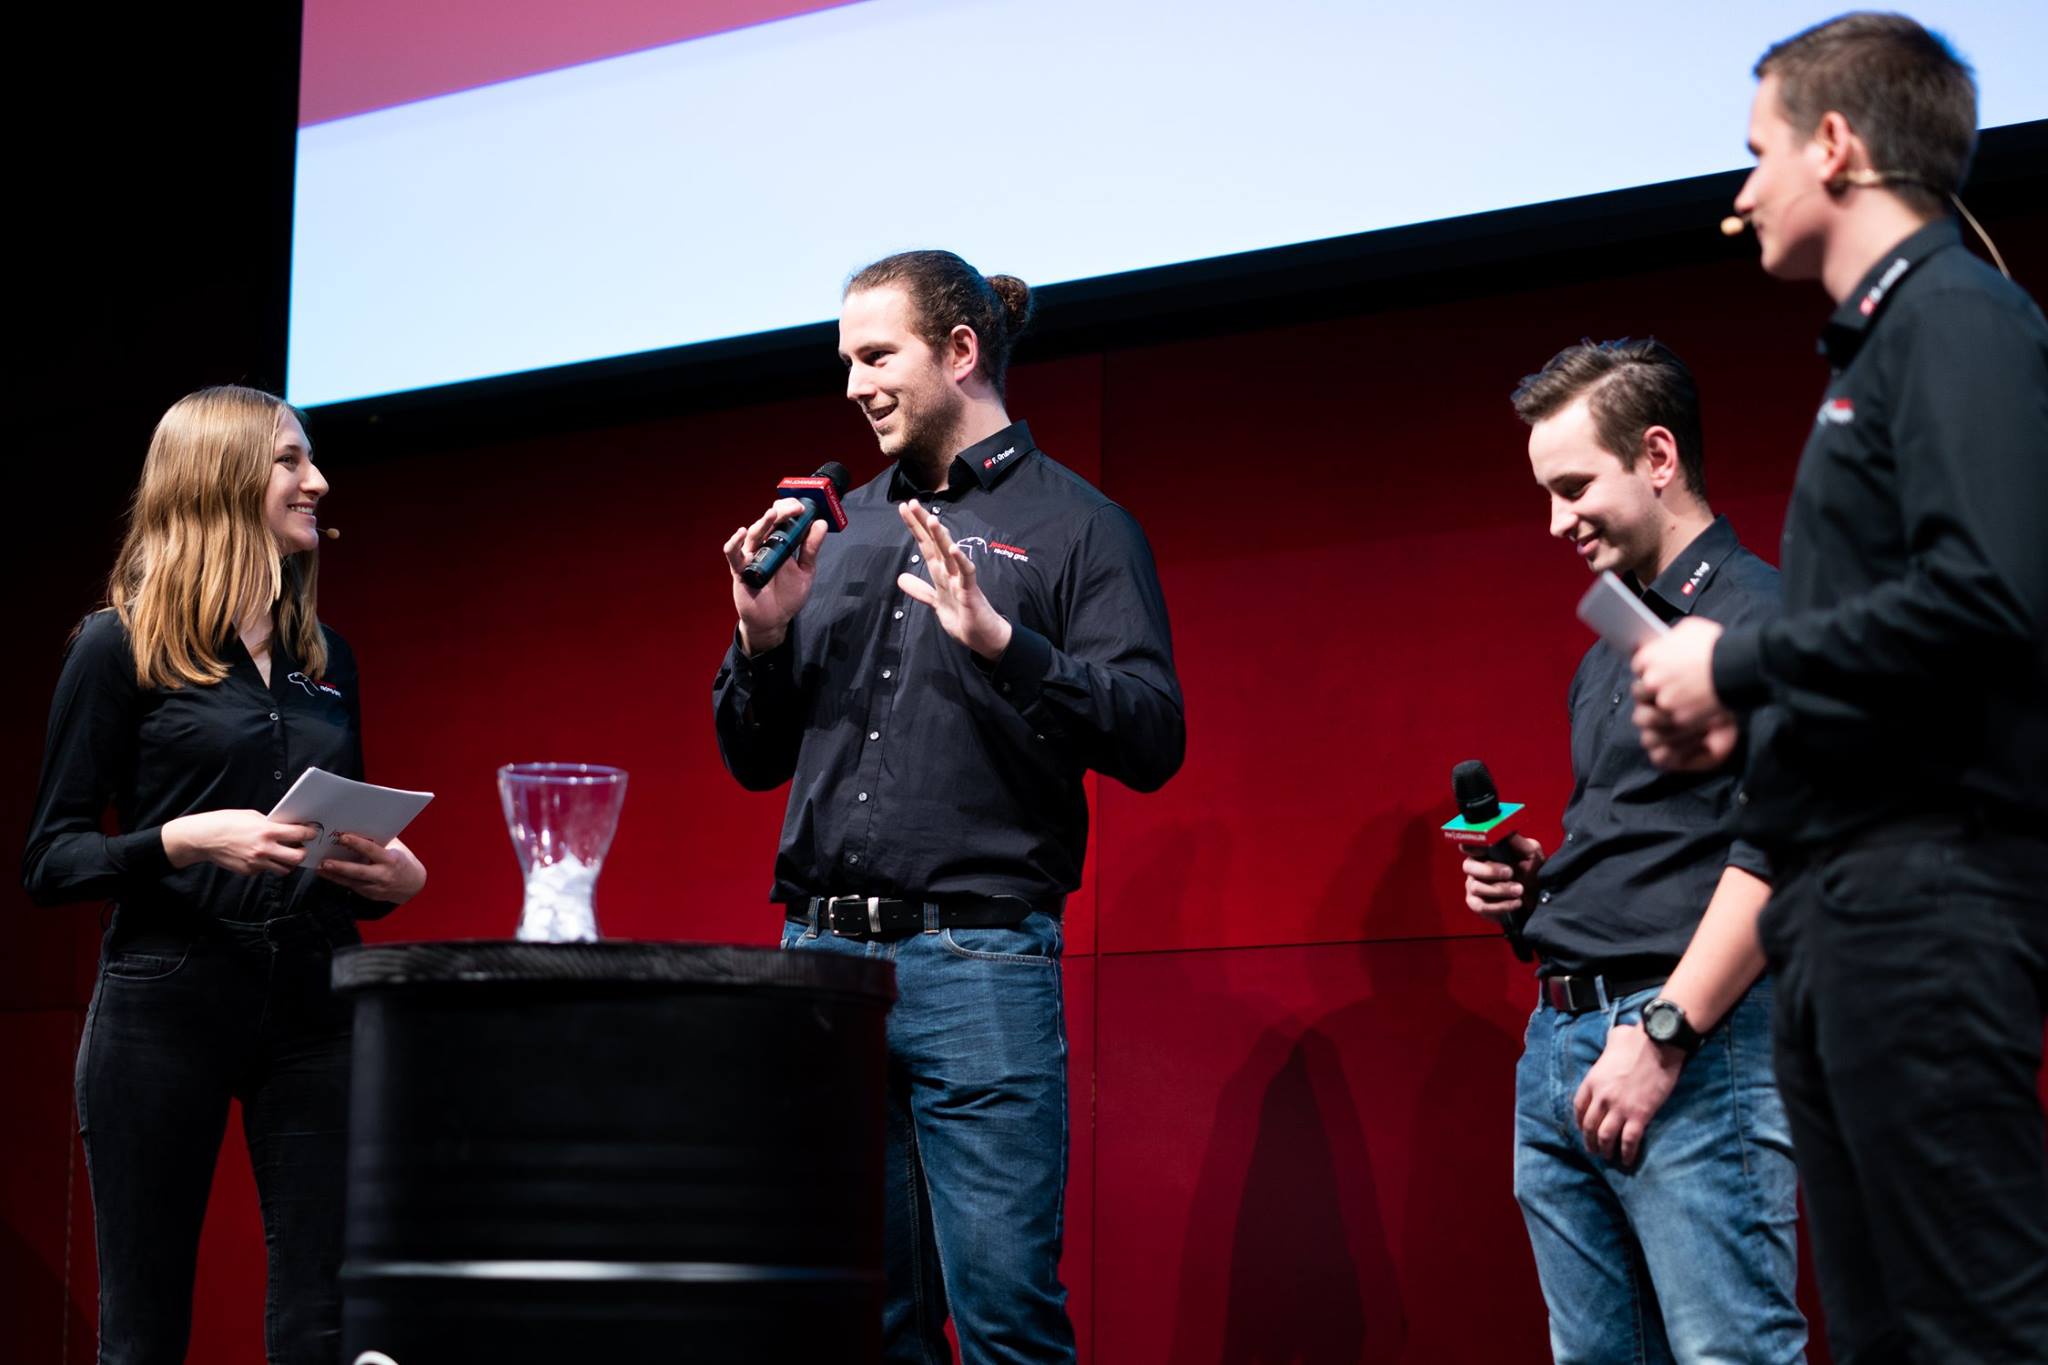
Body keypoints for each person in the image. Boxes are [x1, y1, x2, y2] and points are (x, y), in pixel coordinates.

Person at [1630, 14, 2048, 1361]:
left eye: (1756, 153)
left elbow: (1994, 596)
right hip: (1843, 915)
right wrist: (1744, 715)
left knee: (1969, 1323)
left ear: (1835, 142)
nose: (1741, 191)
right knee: (1882, 1332)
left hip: (1925, 905)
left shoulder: (1960, 322)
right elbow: (1904, 635)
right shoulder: (1881, 351)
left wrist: (1736, 659)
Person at [713, 249, 1184, 1362]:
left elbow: (1154, 737)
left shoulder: (1078, 527)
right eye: (844, 361)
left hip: (976, 966)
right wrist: (760, 634)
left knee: (1006, 1317)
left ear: (960, 353)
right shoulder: (839, 531)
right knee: (865, 1320)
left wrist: (1006, 645)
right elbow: (751, 757)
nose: (853, 385)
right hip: (821, 963)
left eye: (877, 356)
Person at [23, 385, 428, 1364]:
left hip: (315, 996)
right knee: (146, 1322)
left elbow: (337, 828)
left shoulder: (327, 656)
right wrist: (186, 841)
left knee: (324, 1316)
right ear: (219, 478)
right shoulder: (119, 646)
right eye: (290, 461)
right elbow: (51, 858)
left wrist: (392, 871)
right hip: (167, 997)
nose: (317, 482)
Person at [1467, 339, 1804, 1361]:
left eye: (1573, 486)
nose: (1555, 521)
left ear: (1656, 457)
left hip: (1689, 1050)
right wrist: (1532, 889)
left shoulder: (1765, 623)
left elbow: (1784, 847)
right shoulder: (1604, 656)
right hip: (1564, 1047)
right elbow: (1657, 848)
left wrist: (1660, 1034)